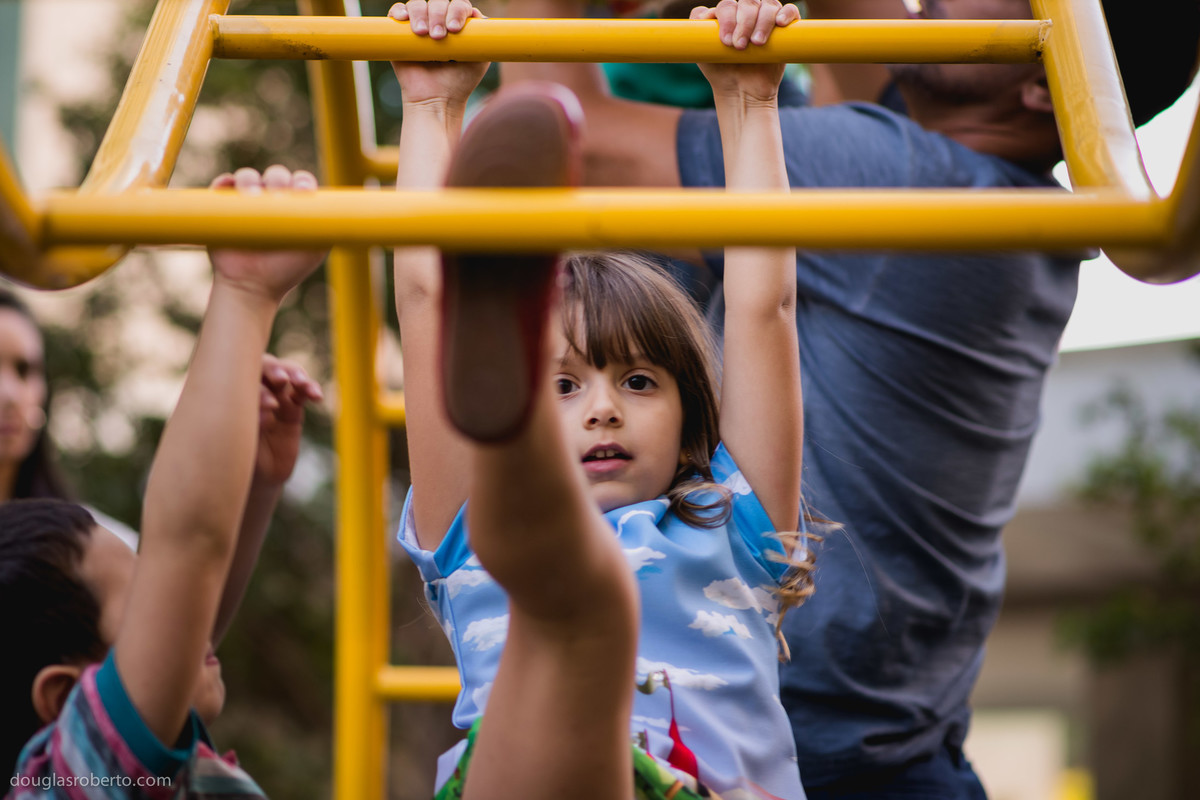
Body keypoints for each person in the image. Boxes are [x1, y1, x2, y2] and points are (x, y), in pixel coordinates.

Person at [483, 0, 1200, 798]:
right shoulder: (994, 193)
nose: (928, 2)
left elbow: (570, 149)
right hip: (888, 749)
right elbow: (871, 33)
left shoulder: (900, 181)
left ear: (1041, 75)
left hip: (785, 752)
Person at [387, 0, 812, 796]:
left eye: (640, 381)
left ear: (692, 420)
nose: (603, 408)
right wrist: (429, 104)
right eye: (563, 384)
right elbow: (423, 304)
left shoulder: (734, 524)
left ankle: (519, 397)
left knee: (569, 597)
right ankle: (506, 366)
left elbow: (764, 307)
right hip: (521, 777)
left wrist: (749, 100)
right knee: (541, 571)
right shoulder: (467, 529)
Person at [1, 165, 326, 795]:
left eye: (24, 369)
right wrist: (243, 293)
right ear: (65, 696)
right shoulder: (76, 781)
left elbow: (190, 583)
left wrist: (255, 486)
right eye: (146, 595)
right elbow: (186, 551)